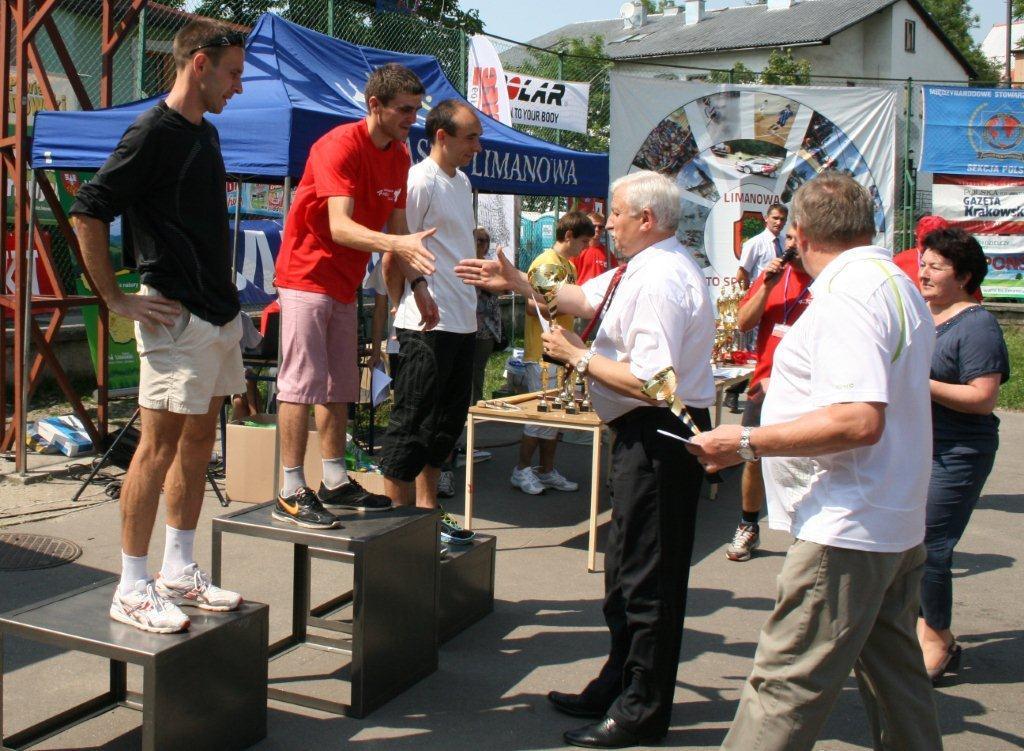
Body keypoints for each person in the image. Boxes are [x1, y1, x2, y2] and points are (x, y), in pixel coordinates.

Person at [457, 170, 715, 748]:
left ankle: (642, 709)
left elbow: (655, 382)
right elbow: (578, 297)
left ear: (646, 220)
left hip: (659, 436)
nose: (607, 222)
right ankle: (619, 683)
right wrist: (518, 281)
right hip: (641, 437)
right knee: (626, 574)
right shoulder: (639, 268)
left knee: (648, 581)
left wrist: (578, 356)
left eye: (617, 213)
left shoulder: (660, 278)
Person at [688, 172, 941, 750]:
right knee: (895, 678)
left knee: (782, 688)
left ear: (797, 234)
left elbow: (858, 420)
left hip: (846, 526)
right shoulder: (893, 284)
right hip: (888, 520)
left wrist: (744, 443)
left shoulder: (849, 295)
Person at [70, 20, 247, 633]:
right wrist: (116, 298)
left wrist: (229, 307)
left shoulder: (208, 133)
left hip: (217, 314)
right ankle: (131, 585)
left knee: (200, 445)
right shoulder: (151, 131)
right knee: (156, 447)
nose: (239, 86)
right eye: (232, 73)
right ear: (200, 64)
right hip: (173, 315)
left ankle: (177, 568)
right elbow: (88, 209)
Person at [272, 63, 435, 529]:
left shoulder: (400, 155)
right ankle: (289, 488)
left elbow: (400, 229)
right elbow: (341, 228)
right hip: (305, 275)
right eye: (404, 110)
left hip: (344, 283)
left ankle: (335, 479)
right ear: (374, 106)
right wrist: (397, 246)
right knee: (300, 382)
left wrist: (419, 286)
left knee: (342, 383)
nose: (412, 118)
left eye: (416, 110)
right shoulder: (338, 145)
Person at [378, 99, 481, 548]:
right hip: (424, 324)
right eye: (470, 137)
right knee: (412, 423)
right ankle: (398, 530)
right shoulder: (419, 180)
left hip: (463, 321)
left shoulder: (464, 183)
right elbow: (394, 249)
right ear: (442, 136)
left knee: (445, 426)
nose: (477, 146)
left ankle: (428, 515)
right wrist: (402, 307)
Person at [916, 227, 1010, 683]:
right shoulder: (921, 315)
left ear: (965, 275)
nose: (924, 272)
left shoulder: (977, 325)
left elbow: (983, 397)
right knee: (907, 542)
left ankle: (938, 639)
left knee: (931, 546)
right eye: (923, 262)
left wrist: (919, 383)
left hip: (959, 451)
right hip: (917, 447)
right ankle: (914, 628)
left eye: (937, 266)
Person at [724, 228, 812, 562]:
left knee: (805, 462)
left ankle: (804, 535)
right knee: (752, 456)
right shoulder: (772, 276)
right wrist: (767, 286)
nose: (790, 245)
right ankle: (748, 525)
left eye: (796, 239)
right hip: (764, 385)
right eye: (787, 238)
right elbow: (744, 323)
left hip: (806, 389)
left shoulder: (827, 282)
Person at [510, 211, 594, 496]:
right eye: (583, 241)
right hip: (542, 352)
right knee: (540, 416)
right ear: (568, 235)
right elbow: (534, 306)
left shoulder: (566, 265)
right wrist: (574, 307)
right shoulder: (547, 262)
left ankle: (545, 470)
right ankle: (521, 470)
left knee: (555, 417)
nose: (585, 249)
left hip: (559, 350)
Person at [737, 203, 788, 289]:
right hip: (760, 293)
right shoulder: (754, 243)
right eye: (775, 218)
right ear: (766, 218)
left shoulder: (786, 242)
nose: (779, 222)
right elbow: (742, 274)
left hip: (782, 292)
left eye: (782, 219)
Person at [572, 211, 617, 285]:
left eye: (600, 227)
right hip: (580, 293)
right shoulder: (577, 250)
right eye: (593, 226)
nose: (597, 229)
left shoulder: (608, 254)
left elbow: (614, 276)